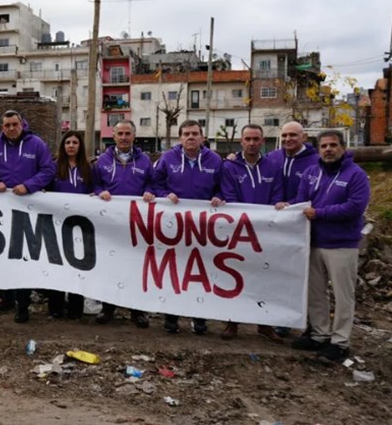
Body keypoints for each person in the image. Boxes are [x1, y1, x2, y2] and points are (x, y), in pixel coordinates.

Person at [287, 130, 370, 363]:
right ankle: (320, 334)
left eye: (333, 145)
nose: (328, 150)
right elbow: (301, 201)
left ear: (343, 147)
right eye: (324, 146)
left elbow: (355, 207)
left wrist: (319, 214)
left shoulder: (356, 175)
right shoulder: (312, 172)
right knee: (316, 291)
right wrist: (287, 206)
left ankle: (340, 341)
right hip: (313, 242)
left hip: (342, 245)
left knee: (343, 295)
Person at [0, 110, 56, 323]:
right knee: (3, 254)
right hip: (2, 210)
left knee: (22, 256)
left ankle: (22, 305)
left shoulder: (37, 144)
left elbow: (48, 170)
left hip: (28, 209)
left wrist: (29, 185)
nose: (11, 128)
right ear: (2, 127)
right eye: (7, 125)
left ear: (22, 124)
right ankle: (7, 298)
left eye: (15, 124)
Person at [151, 119, 224, 334]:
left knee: (201, 273)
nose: (190, 137)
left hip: (204, 226)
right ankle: (171, 317)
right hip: (174, 225)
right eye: (186, 134)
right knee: (174, 271)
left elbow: (224, 187)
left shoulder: (215, 160)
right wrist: (165, 195)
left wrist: (219, 197)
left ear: (202, 137)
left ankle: (199, 317)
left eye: (194, 133)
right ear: (180, 138)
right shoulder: (167, 158)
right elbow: (155, 184)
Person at [218, 124, 285, 341]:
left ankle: (264, 324)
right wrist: (245, 219)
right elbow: (229, 195)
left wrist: (268, 220)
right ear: (241, 141)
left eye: (256, 139)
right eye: (248, 139)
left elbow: (277, 196)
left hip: (265, 232)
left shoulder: (273, 166)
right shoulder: (229, 167)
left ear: (262, 141)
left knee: (264, 277)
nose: (252, 143)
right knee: (234, 276)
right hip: (238, 231)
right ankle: (232, 321)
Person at [92, 120, 155, 328]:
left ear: (134, 136)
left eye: (128, 133)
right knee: (109, 267)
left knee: (136, 267)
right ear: (114, 136)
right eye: (120, 134)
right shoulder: (102, 160)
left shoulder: (145, 160)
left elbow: (152, 183)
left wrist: (149, 191)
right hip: (110, 224)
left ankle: (137, 311)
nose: (124, 137)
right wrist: (101, 191)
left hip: (136, 224)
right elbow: (95, 183)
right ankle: (108, 308)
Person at [46, 130, 92, 320]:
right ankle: (55, 307)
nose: (71, 145)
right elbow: (45, 192)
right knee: (57, 265)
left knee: (78, 267)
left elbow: (95, 189)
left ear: (80, 146)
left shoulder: (88, 169)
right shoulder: (53, 168)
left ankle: (75, 308)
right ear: (62, 146)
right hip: (58, 225)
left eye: (74, 142)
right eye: (67, 143)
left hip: (82, 226)